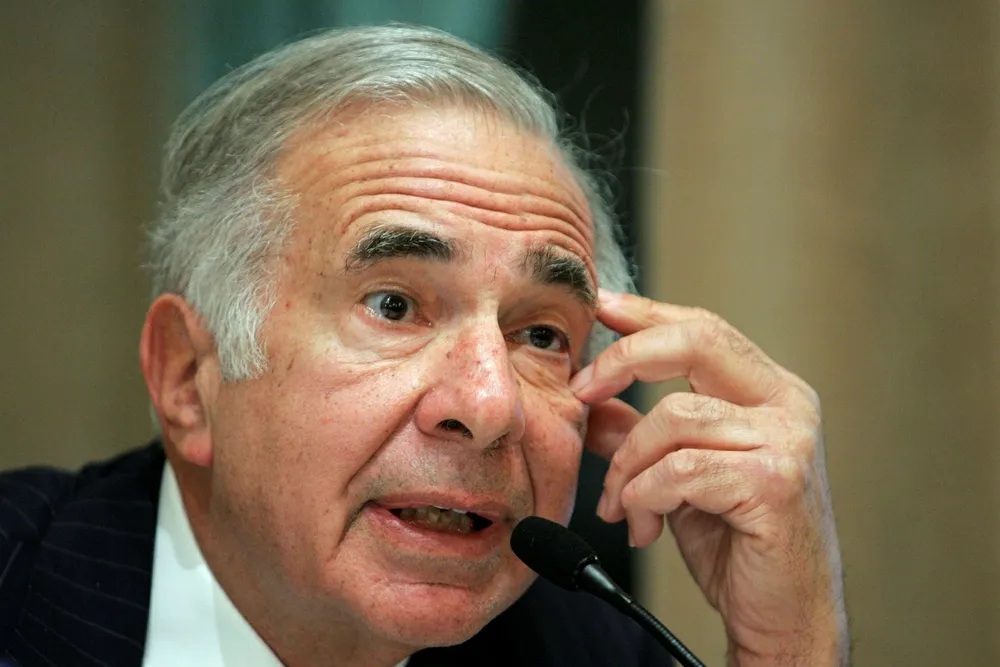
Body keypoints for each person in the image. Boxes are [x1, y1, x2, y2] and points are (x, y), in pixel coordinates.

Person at [0, 24, 848, 667]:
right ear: (190, 377)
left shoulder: (590, 650)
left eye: (542, 334)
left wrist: (787, 650)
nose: (489, 403)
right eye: (395, 305)